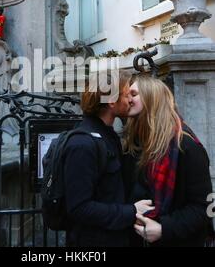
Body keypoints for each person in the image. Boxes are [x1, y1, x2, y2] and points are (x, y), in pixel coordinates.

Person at [63, 70, 154, 247]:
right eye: (127, 94)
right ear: (112, 101)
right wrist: (132, 211)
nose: (130, 100)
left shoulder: (108, 136)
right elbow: (79, 208)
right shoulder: (82, 144)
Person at [122, 75, 213, 247]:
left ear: (151, 98)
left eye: (133, 94)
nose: (127, 99)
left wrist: (164, 228)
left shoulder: (186, 147)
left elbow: (205, 207)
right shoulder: (134, 144)